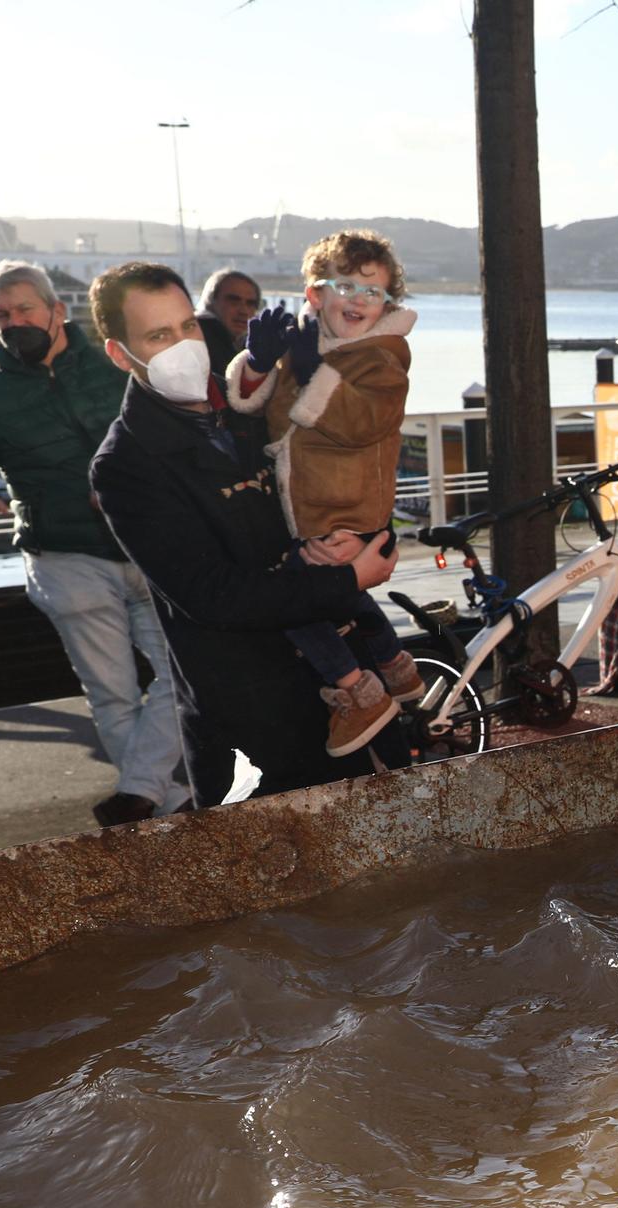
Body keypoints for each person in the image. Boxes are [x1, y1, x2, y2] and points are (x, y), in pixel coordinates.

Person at [87, 261, 404, 807]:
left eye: (187, 326)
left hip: (349, 685)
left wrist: (359, 537)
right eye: (158, 335)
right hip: (254, 713)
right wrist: (349, 577)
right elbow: (212, 597)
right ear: (120, 354)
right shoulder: (125, 466)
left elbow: (342, 471)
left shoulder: (252, 404)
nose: (183, 345)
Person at [0, 260, 189, 826]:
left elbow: (171, 434)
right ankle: (165, 804)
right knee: (114, 697)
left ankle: (146, 796)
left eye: (24, 309)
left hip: (147, 548)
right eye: (1, 314)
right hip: (64, 558)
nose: (13, 321)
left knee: (183, 672)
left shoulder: (114, 365)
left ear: (57, 310)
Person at [224, 229, 420, 757]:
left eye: (372, 291)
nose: (358, 299)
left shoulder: (384, 357)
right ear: (315, 294)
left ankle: (359, 690)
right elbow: (250, 406)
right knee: (336, 593)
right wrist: (261, 363)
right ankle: (395, 666)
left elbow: (360, 423)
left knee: (291, 600)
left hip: (348, 511)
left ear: (386, 303)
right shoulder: (305, 346)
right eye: (345, 285)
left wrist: (316, 374)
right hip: (310, 510)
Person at [196, 268, 263, 377]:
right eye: (233, 301)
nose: (243, 311)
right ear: (210, 300)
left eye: (250, 304)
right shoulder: (201, 337)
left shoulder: (241, 342)